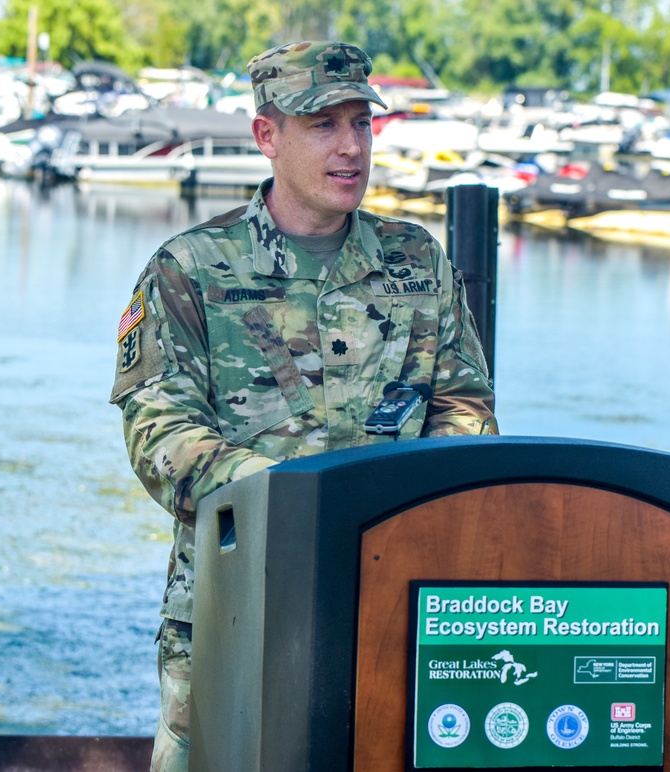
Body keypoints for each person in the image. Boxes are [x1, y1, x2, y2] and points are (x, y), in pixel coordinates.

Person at [110, 40, 498, 771]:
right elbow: (159, 433)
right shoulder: (190, 269)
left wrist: (424, 515)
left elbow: (465, 407)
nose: (351, 147)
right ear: (267, 136)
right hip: (236, 613)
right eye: (325, 125)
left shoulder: (417, 263)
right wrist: (294, 504)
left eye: (362, 124)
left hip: (391, 610)